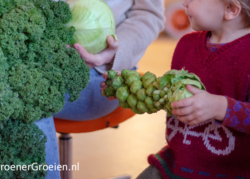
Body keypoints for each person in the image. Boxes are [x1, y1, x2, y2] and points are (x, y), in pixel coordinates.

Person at [102, 0, 250, 178]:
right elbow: (169, 95)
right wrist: (133, 88)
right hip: (173, 166)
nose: (184, 2)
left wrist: (221, 107)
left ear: (230, 9)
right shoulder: (186, 44)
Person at [39, 0, 165, 178]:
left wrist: (115, 53)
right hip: (34, 58)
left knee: (20, 97)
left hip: (100, 73)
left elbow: (149, 14)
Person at [53, 0, 165, 121]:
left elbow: (149, 15)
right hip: (40, 58)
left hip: (101, 69)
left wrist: (115, 52)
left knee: (33, 94)